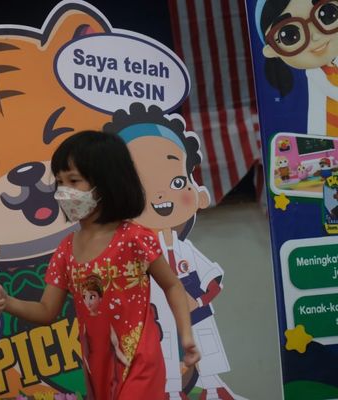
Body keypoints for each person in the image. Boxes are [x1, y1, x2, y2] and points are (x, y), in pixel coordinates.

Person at [0, 131, 200, 400]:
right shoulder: (66, 249)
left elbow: (172, 285)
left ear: (106, 183)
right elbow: (46, 310)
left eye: (74, 180)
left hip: (139, 362)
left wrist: (186, 335)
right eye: (59, 182)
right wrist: (7, 302)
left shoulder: (135, 238)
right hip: (96, 366)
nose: (64, 191)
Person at [104, 103, 237, 400]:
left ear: (198, 193)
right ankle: (171, 392)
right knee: (162, 354)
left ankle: (213, 387)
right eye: (141, 187)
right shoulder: (126, 255)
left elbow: (214, 279)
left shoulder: (184, 249)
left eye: (177, 182)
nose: (161, 195)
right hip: (154, 323)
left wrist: (198, 300)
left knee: (207, 346)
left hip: (196, 315)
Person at [257, 0, 338, 135]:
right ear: (271, 50)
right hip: (328, 131)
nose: (315, 36)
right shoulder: (315, 73)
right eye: (290, 34)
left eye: (328, 14)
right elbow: (331, 90)